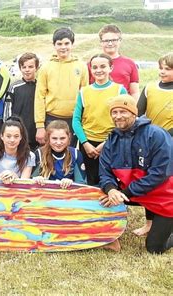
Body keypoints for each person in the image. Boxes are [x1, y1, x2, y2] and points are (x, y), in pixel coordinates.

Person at [99, 94, 173, 254]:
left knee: (154, 248)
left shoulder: (156, 135)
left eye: (123, 112)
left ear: (134, 113)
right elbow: (104, 173)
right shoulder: (111, 140)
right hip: (134, 193)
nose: (118, 116)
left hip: (164, 196)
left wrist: (124, 193)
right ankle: (107, 237)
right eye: (114, 112)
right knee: (100, 196)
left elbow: (159, 174)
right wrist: (111, 189)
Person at [72, 53, 127, 186]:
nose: (98, 70)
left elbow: (124, 121)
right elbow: (76, 120)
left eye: (103, 66)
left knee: (111, 179)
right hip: (88, 144)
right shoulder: (84, 92)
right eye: (94, 67)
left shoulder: (119, 90)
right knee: (91, 180)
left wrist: (107, 142)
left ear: (111, 68)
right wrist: (85, 143)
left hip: (112, 141)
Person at [134, 52, 173, 236]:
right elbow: (138, 113)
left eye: (168, 69)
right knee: (150, 182)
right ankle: (149, 223)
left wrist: (164, 138)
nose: (162, 72)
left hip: (170, 143)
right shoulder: (149, 87)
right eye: (161, 68)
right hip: (150, 143)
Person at [34, 27, 89, 147]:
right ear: (54, 45)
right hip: (51, 118)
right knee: (49, 153)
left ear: (72, 44)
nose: (63, 47)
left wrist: (84, 121)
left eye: (66, 43)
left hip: (74, 119)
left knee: (70, 153)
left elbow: (85, 96)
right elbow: (39, 97)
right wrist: (40, 126)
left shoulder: (81, 66)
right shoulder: (46, 67)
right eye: (59, 44)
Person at [89, 24, 139, 100]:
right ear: (101, 42)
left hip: (122, 108)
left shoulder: (130, 64)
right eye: (106, 41)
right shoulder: (92, 64)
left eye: (114, 40)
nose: (110, 43)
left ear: (120, 41)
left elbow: (134, 92)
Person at [32, 120, 86, 188]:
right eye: (54, 138)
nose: (58, 142)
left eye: (62, 138)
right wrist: (37, 179)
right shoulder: (40, 153)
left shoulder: (75, 154)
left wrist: (71, 182)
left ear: (69, 137)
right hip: (45, 194)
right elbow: (30, 181)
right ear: (48, 138)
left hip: (67, 194)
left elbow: (82, 183)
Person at [4, 52, 39, 151]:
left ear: (36, 67)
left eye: (30, 67)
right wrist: (9, 128)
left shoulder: (40, 87)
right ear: (20, 68)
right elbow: (7, 110)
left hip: (35, 133)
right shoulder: (14, 87)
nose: (27, 70)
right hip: (18, 133)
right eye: (24, 67)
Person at [0, 118, 35, 184]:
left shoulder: (29, 156)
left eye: (16, 136)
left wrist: (14, 176)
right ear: (2, 136)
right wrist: (4, 175)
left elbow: (24, 184)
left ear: (21, 137)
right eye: (8, 136)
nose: (12, 140)